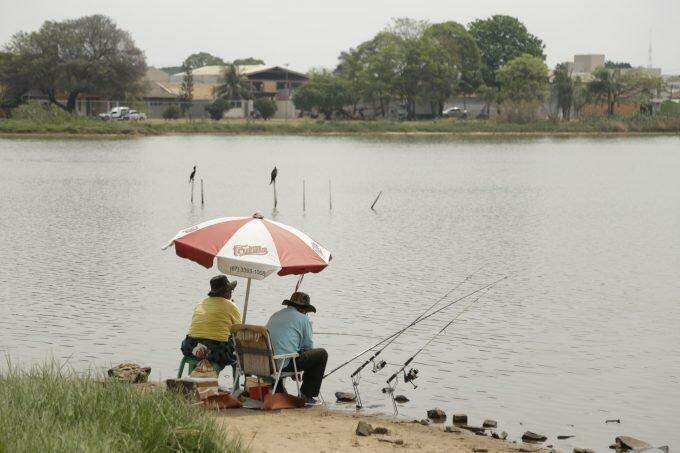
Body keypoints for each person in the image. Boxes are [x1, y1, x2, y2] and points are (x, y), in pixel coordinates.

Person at [266, 291, 328, 405]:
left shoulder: (275, 315)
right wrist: (299, 368)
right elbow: (308, 347)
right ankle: (307, 394)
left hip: (266, 363)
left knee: (280, 351)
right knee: (321, 354)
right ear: (303, 309)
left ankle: (278, 390)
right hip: (281, 364)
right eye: (306, 311)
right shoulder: (304, 319)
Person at [180, 275, 241, 369]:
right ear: (226, 292)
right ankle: (229, 380)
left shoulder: (201, 303)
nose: (231, 293)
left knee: (190, 343)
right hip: (216, 350)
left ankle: (200, 353)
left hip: (189, 346)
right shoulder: (231, 306)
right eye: (230, 291)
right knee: (235, 350)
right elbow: (238, 331)